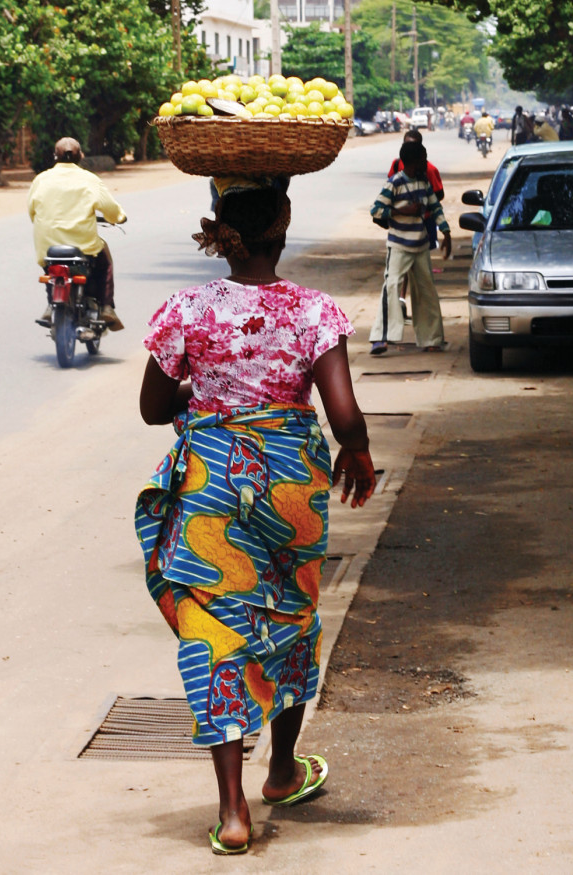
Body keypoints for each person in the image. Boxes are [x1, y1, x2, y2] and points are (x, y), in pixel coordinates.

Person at [136, 176, 375, 856]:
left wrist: (203, 386)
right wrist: (356, 455)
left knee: (216, 626)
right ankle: (282, 770)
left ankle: (233, 810)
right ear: (283, 225)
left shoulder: (186, 308)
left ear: (223, 230)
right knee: (291, 613)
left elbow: (155, 408)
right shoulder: (313, 311)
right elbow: (346, 414)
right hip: (291, 483)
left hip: (213, 478)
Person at [27, 137, 126, 330]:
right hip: (83, 247)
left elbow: (32, 212)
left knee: (50, 267)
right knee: (105, 263)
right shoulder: (90, 179)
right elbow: (111, 210)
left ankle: (51, 304)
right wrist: (119, 217)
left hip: (48, 247)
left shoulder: (41, 180)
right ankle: (106, 307)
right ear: (81, 156)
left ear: (54, 157)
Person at [369, 141, 451, 355]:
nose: (426, 162)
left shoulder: (424, 183)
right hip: (398, 245)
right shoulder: (394, 183)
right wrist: (401, 211)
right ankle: (382, 337)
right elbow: (376, 211)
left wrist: (446, 232)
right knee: (391, 287)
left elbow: (435, 207)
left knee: (427, 292)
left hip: (421, 245)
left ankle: (432, 338)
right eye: (423, 159)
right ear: (413, 162)